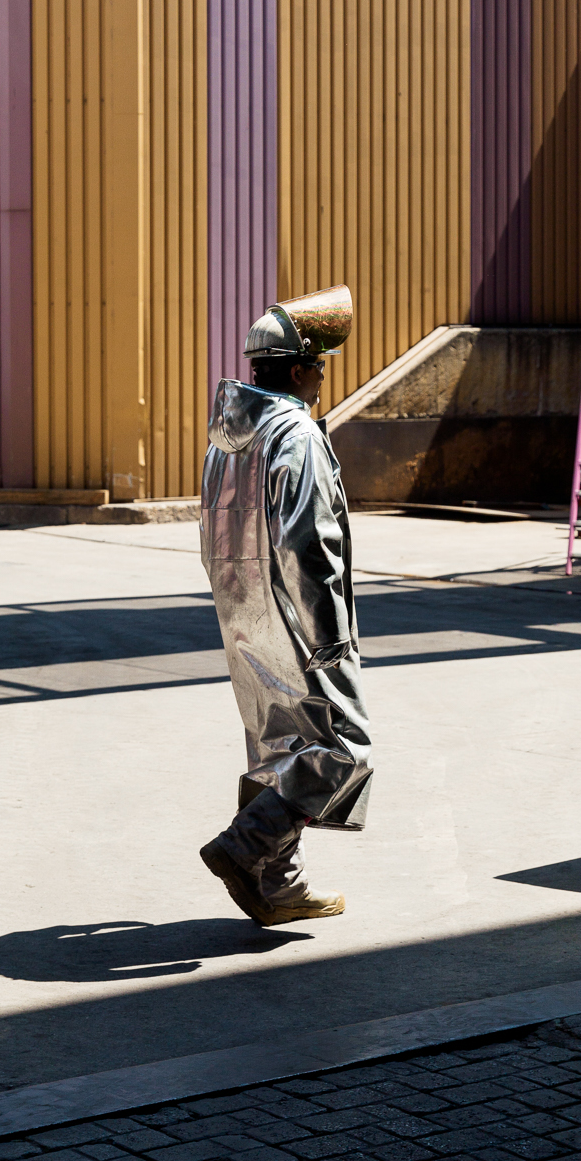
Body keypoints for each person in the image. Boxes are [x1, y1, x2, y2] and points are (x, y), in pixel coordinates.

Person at [199, 285, 373, 926]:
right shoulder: (294, 433)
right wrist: (329, 634)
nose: (323, 378)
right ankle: (244, 846)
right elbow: (309, 544)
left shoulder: (229, 436)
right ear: (298, 371)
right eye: (319, 366)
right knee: (343, 748)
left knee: (277, 747)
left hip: (244, 611)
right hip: (296, 617)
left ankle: (278, 885)